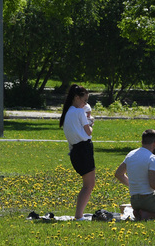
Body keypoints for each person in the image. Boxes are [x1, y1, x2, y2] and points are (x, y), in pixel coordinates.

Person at [59, 84, 95, 220]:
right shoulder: (79, 112)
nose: (85, 103)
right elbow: (88, 132)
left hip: (75, 151)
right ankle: (79, 215)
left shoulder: (69, 111)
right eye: (84, 100)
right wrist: (90, 122)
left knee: (87, 184)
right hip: (83, 149)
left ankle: (79, 214)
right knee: (89, 185)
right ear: (76, 97)